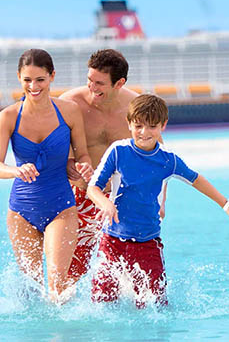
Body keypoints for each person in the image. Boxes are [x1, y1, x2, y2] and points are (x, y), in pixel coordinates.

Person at [87, 94, 229, 307]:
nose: (144, 133)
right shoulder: (118, 151)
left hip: (147, 242)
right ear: (129, 124)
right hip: (112, 240)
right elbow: (94, 188)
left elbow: (196, 179)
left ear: (163, 126)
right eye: (138, 126)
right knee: (101, 302)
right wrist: (105, 203)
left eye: (152, 126)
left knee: (154, 304)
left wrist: (226, 203)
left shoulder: (168, 160)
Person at [0, 48, 93, 302]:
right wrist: (15, 170)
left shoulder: (68, 111)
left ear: (52, 76)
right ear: (19, 78)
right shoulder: (8, 116)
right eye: (27, 80)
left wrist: (82, 167)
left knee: (57, 290)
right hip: (21, 210)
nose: (33, 86)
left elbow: (83, 155)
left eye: (40, 80)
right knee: (32, 293)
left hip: (62, 206)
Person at [59, 49, 142, 283]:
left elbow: (158, 155)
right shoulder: (70, 103)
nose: (91, 88)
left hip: (123, 198)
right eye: (89, 80)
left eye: (99, 83)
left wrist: (159, 201)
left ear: (119, 83)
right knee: (71, 274)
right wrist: (69, 164)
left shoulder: (136, 105)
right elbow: (52, 148)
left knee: (128, 271)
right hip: (81, 196)